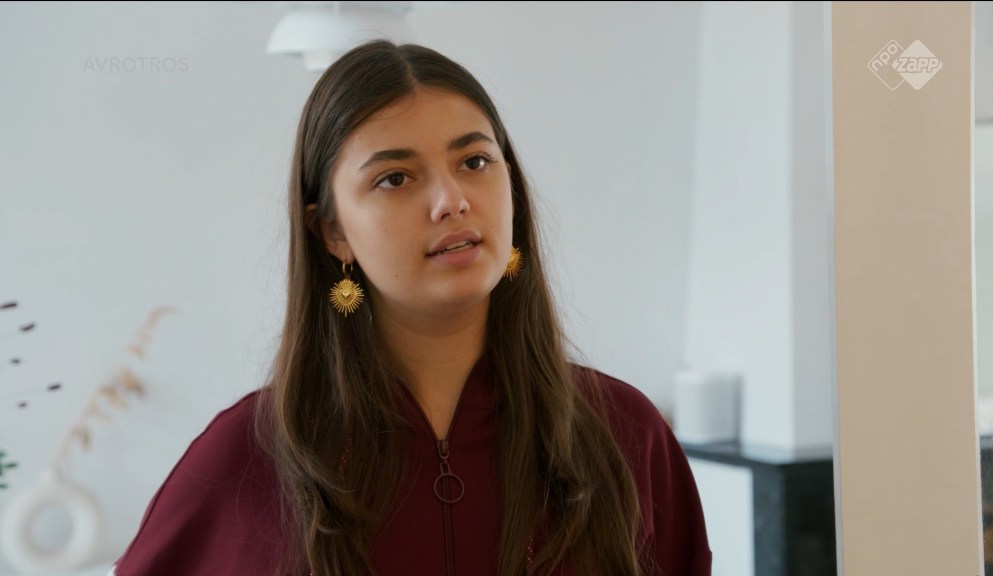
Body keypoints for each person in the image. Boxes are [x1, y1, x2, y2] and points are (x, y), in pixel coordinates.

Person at [113, 40, 711, 576]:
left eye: (474, 162)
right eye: (395, 178)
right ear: (332, 232)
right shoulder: (247, 458)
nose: (451, 200)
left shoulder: (625, 434)